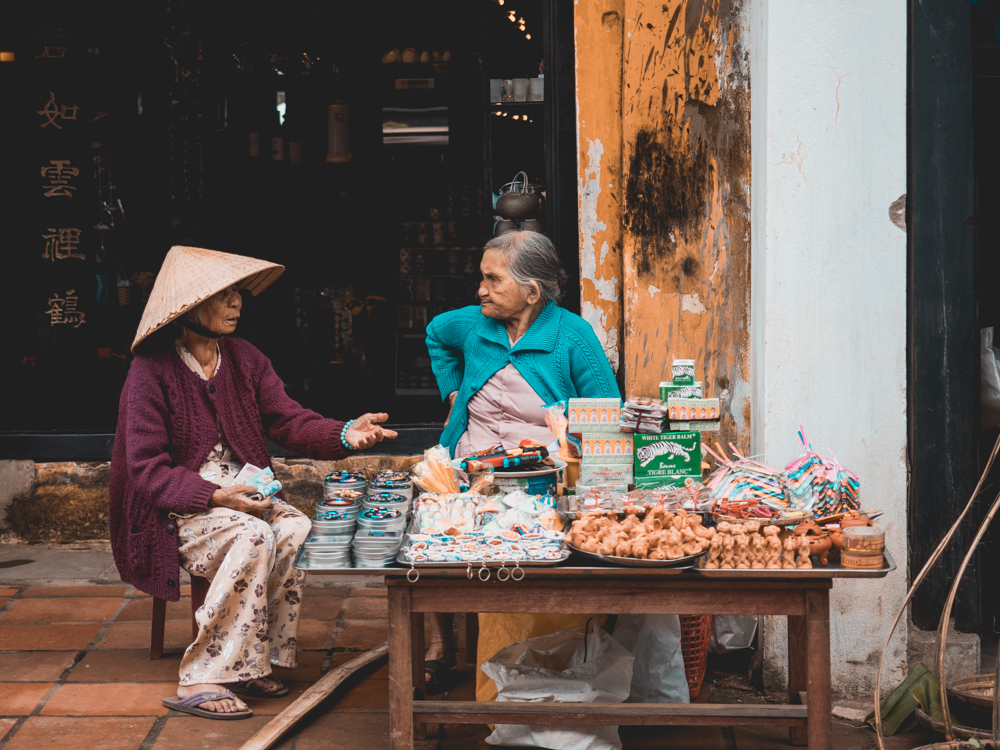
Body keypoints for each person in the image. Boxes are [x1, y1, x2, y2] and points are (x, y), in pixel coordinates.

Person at [109, 246, 396, 720]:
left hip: (241, 498)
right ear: (188, 306)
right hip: (177, 509)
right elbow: (145, 470)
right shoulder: (150, 370)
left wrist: (346, 432)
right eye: (223, 295)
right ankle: (202, 674)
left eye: (238, 294)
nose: (237, 303)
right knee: (254, 533)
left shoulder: (244, 358)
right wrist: (216, 495)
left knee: (296, 528)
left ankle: (251, 659)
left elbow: (290, 421)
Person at [425, 231, 619, 699]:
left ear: (532, 292)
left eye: (493, 280)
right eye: (481, 277)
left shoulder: (572, 336)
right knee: (431, 517)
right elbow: (435, 333)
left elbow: (606, 411)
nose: (481, 289)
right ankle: (437, 638)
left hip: (542, 473)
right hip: (473, 461)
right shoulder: (474, 325)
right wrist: (453, 392)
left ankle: (536, 655)